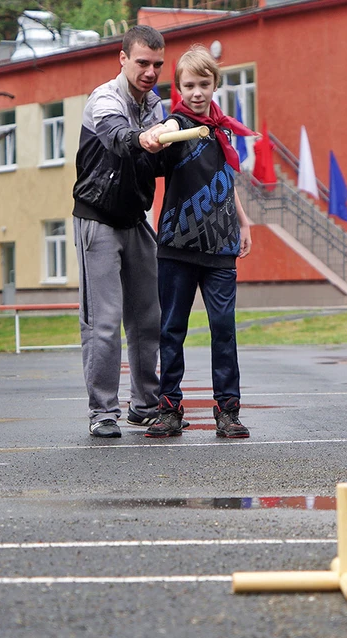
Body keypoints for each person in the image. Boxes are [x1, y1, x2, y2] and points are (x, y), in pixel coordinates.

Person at [142, 44, 255, 439]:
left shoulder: (222, 130)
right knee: (172, 329)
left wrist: (243, 222)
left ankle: (228, 411)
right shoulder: (178, 126)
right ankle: (170, 410)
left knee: (223, 329)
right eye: (188, 85)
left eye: (203, 84)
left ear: (214, 84)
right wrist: (158, 134)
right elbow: (168, 130)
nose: (196, 92)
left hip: (221, 246)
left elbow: (228, 179)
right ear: (179, 88)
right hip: (177, 246)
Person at [71, 25, 172, 438]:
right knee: (105, 322)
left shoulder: (156, 106)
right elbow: (117, 137)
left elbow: (162, 163)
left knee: (148, 319)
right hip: (97, 219)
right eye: (142, 62)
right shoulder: (104, 98)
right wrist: (146, 138)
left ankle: (145, 404)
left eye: (157, 65)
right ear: (123, 58)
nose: (150, 72)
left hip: (135, 220)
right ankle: (103, 411)